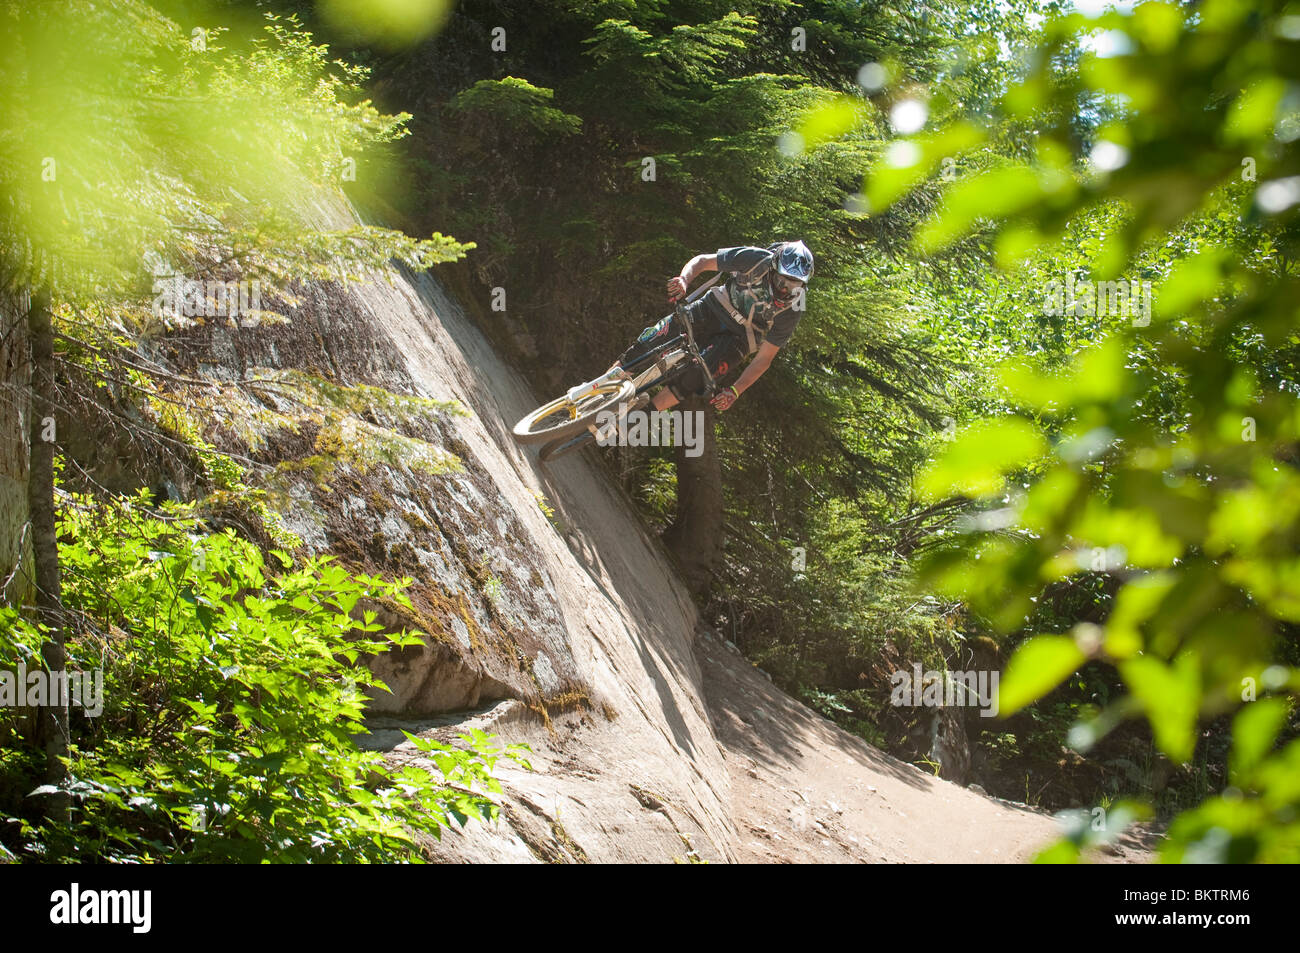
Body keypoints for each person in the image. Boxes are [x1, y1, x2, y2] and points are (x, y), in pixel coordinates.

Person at [568, 241, 814, 412]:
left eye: (795, 286)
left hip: (741, 337)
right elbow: (704, 261)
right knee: (652, 340)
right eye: (783, 280)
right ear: (773, 268)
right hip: (714, 306)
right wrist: (684, 281)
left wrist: (735, 391)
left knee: (697, 377)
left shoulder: (794, 308)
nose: (786, 289)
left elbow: (764, 358)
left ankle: (639, 417)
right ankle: (598, 386)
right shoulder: (755, 258)